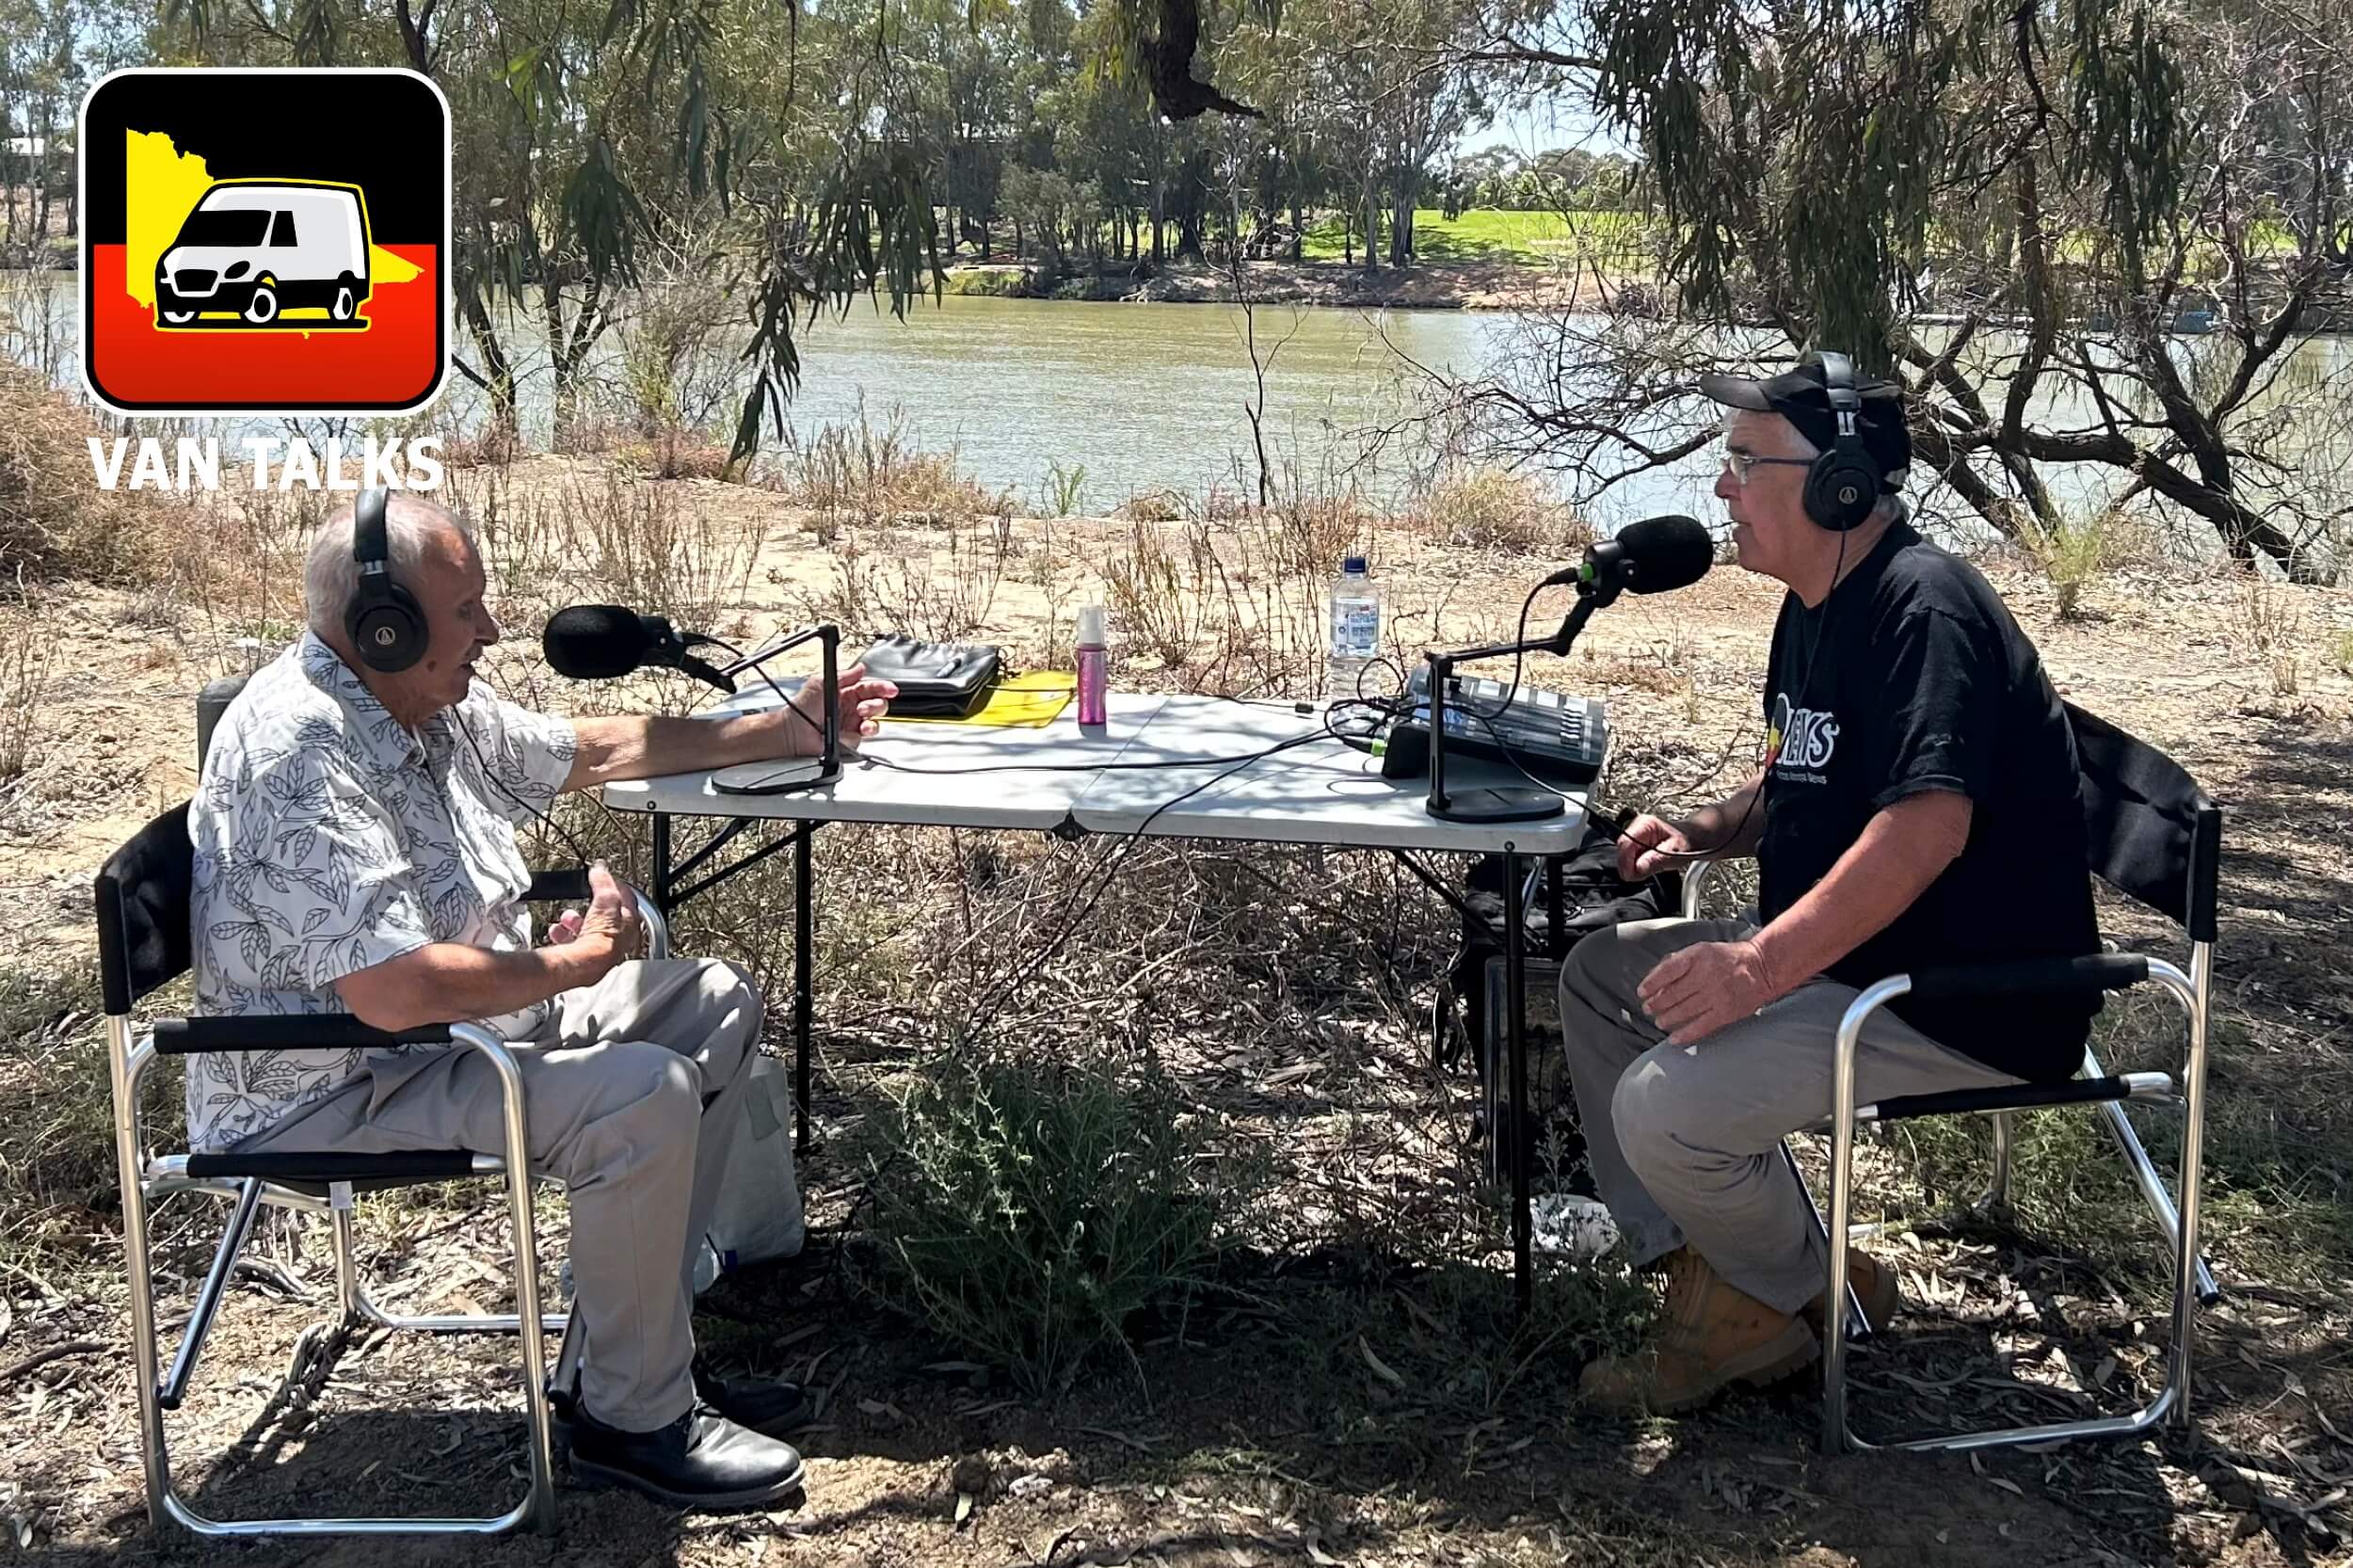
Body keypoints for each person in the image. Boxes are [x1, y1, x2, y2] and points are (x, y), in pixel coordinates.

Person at [187, 490, 896, 1510]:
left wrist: (778, 727)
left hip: (435, 1038)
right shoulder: (301, 749)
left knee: (711, 1004)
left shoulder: (414, 700)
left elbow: (593, 751)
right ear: (384, 626)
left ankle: (626, 1358)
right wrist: (575, 963)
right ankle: (632, 1420)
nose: (492, 630)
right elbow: (397, 990)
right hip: (339, 1080)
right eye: (466, 609)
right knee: (640, 1091)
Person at [1563, 352, 2099, 1415]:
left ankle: (1781, 1300)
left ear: (1835, 484)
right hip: (1857, 961)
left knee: (1664, 1110)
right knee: (1596, 982)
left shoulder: (1922, 611)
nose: (1720, 489)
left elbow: (1925, 828)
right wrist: (1708, 830)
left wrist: (1756, 966)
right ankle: (1734, 1278)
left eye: (1741, 463)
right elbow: (1799, 778)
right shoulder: (1814, 602)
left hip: (1965, 995)